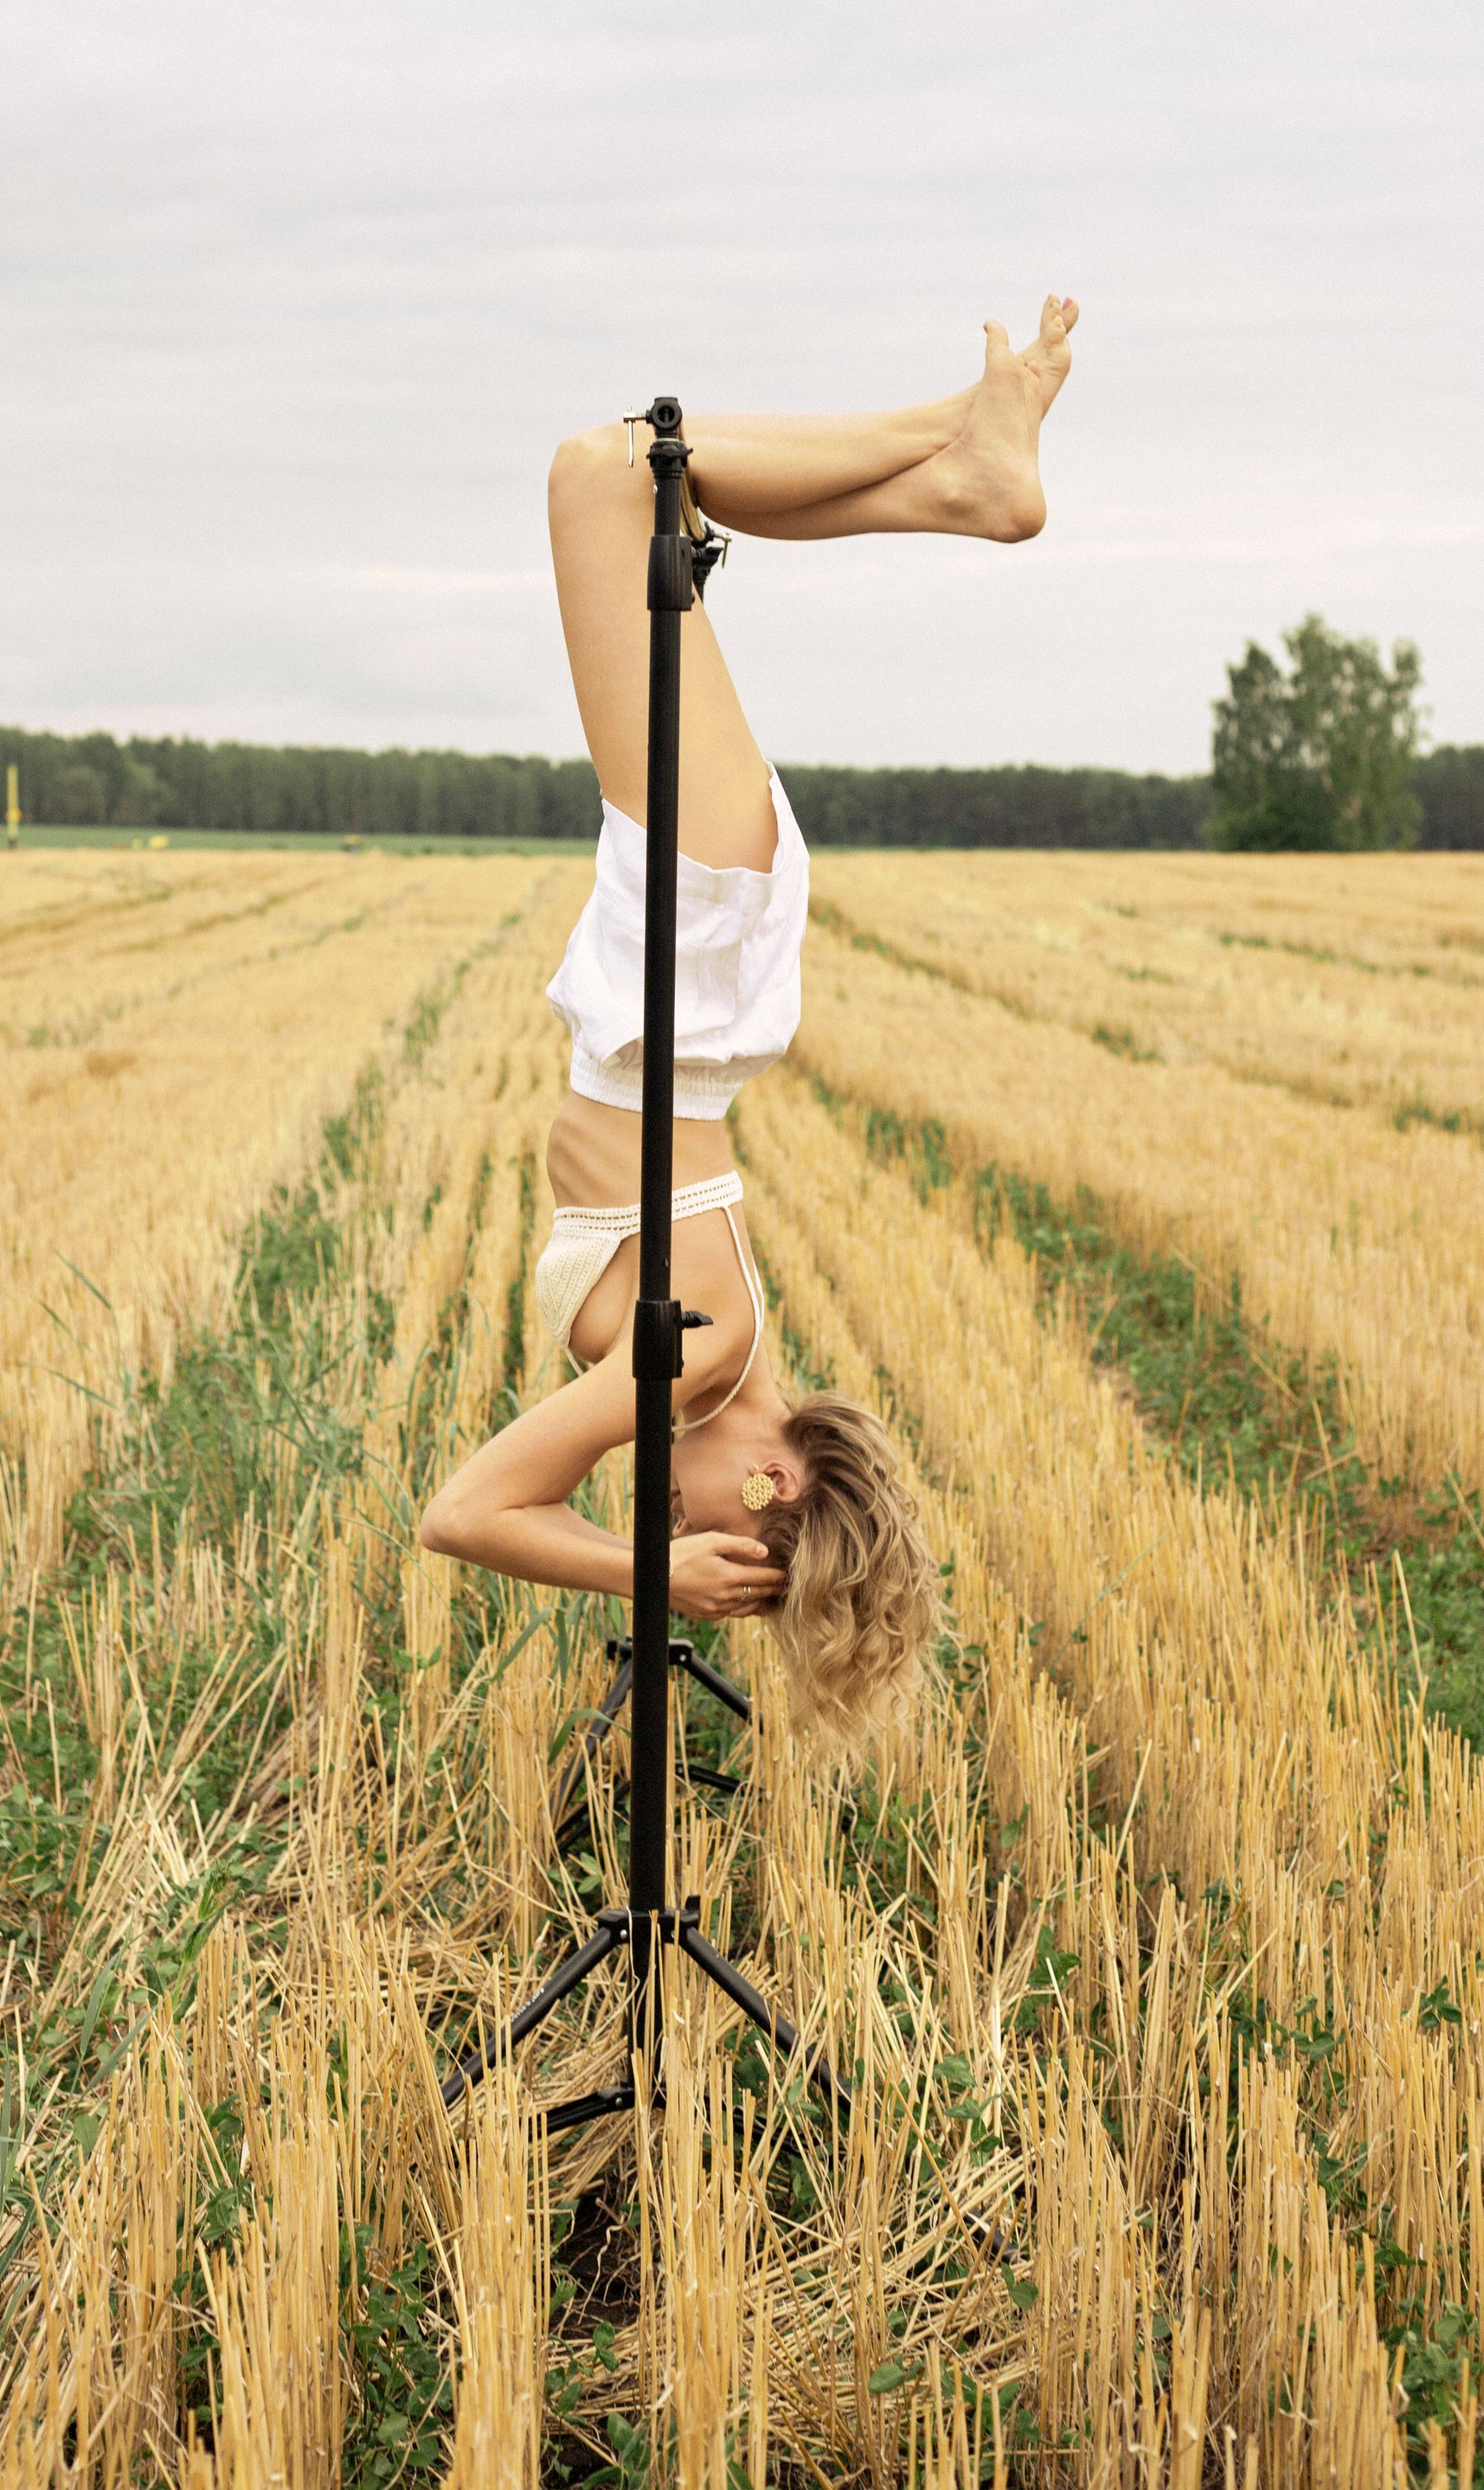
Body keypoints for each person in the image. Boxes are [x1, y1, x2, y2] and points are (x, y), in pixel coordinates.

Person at [417, 301, 1080, 1742]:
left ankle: (964, 471)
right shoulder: (704, 1355)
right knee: (607, 477)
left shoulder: (705, 1370)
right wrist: (647, 1575)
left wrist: (653, 1561)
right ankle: (960, 456)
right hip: (693, 967)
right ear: (772, 1485)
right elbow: (463, 1515)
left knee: (622, 484)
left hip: (690, 981)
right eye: (732, 1543)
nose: (672, 1514)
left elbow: (477, 1509)